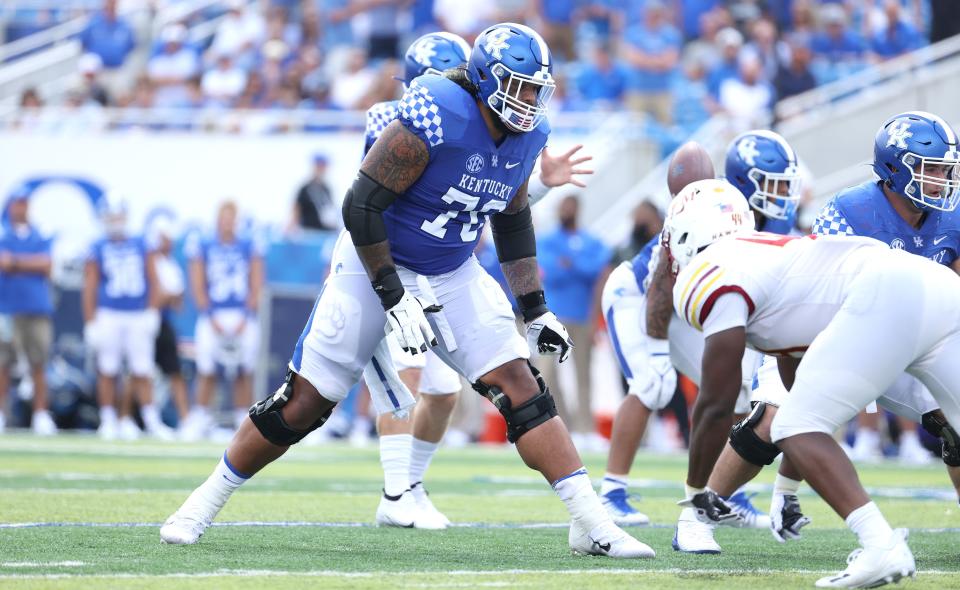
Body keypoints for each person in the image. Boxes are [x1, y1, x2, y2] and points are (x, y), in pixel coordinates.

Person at [160, 22, 654, 559]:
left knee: (521, 386)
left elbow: (513, 219)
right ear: (487, 80)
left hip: (451, 267)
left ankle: (592, 525)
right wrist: (394, 297)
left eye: (538, 89)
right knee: (303, 405)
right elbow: (360, 206)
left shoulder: (528, 135)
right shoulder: (436, 111)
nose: (530, 101)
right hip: (376, 260)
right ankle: (201, 505)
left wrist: (534, 309)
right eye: (520, 86)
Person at [661, 177, 960, 587]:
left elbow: (717, 400)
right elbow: (800, 382)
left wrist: (697, 491)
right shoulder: (774, 257)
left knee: (791, 425)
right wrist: (786, 488)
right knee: (951, 423)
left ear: (683, 234)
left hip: (885, 296)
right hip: (938, 285)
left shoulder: (708, 270)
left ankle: (880, 546)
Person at [362, 31, 595, 529]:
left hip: (447, 271)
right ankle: (394, 489)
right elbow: (371, 206)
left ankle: (412, 486)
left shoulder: (491, 124)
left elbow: (496, 203)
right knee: (405, 371)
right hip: (390, 267)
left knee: (443, 391)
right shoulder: (400, 118)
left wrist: (539, 184)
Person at [600, 130, 803, 532]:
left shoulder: (763, 222)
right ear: (746, 182)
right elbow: (662, 277)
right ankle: (610, 493)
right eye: (774, 184)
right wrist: (658, 350)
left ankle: (723, 493)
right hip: (640, 295)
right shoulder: (713, 209)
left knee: (737, 388)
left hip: (685, 304)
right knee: (653, 383)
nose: (783, 194)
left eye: (786, 185)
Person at [84, 193, 169, 440]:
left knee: (142, 369)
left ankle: (151, 421)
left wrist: (152, 311)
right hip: (109, 313)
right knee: (108, 368)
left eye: (118, 216)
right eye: (111, 216)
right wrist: (90, 321)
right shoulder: (97, 246)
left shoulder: (142, 243)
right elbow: (89, 285)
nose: (115, 221)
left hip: (136, 314)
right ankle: (109, 419)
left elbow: (154, 280)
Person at [180, 201, 264, 440]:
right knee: (206, 369)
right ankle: (200, 417)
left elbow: (256, 281)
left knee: (244, 369)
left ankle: (242, 419)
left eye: (231, 218)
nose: (227, 223)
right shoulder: (204, 244)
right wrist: (208, 313)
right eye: (224, 218)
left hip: (241, 314)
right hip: (213, 314)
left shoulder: (248, 244)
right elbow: (197, 282)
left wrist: (246, 315)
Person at [537, 195, 610, 449]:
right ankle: (556, 425)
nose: (566, 210)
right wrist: (576, 266)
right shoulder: (547, 240)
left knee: (583, 375)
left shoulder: (591, 240)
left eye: (570, 206)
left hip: (582, 317)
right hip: (553, 317)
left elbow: (596, 269)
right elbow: (551, 271)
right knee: (546, 374)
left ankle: (585, 429)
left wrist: (571, 263)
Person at [0, 190, 57, 435]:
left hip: (36, 307)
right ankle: (1, 413)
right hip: (7, 308)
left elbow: (46, 264)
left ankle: (41, 414)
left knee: (39, 362)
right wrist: (27, 263)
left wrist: (14, 262)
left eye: (24, 204)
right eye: (17, 204)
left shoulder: (41, 232)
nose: (20, 209)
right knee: (3, 364)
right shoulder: (3, 233)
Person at [150, 218, 190, 426]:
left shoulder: (171, 265)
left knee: (175, 372)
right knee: (137, 374)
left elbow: (177, 302)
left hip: (163, 323)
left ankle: (185, 420)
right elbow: (153, 296)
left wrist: (164, 296)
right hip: (145, 323)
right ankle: (123, 418)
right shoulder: (149, 261)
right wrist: (164, 295)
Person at [292, 153, 339, 232]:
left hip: (324, 232)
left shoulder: (326, 189)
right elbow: (296, 211)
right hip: (308, 232)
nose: (321, 169)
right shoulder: (305, 189)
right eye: (319, 166)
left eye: (323, 166)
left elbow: (329, 210)